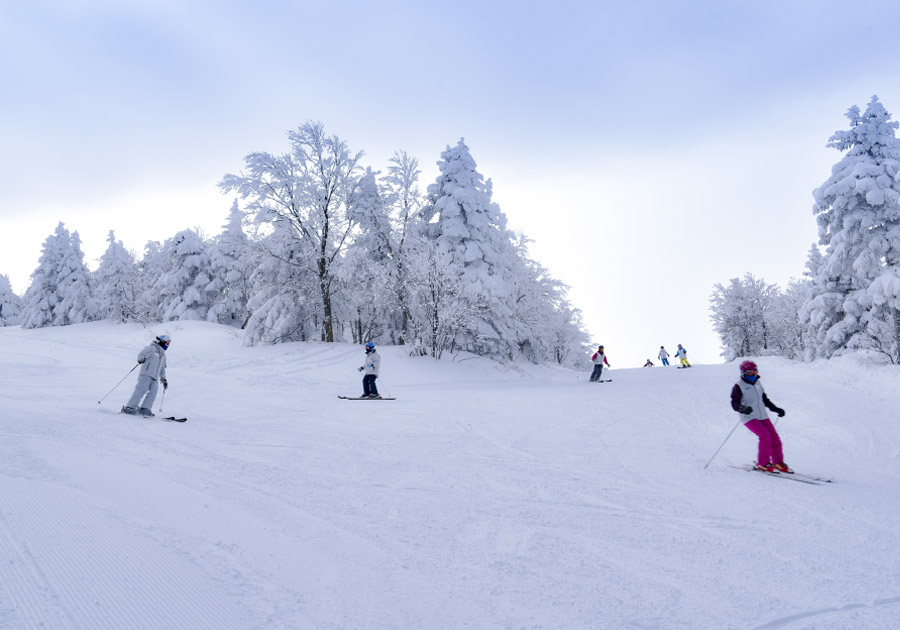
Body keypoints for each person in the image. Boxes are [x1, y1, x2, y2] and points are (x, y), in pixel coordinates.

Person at [730, 360, 791, 473]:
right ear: (743, 373)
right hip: (749, 417)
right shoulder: (739, 386)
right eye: (750, 373)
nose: (753, 374)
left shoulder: (758, 384)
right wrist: (743, 409)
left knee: (775, 439)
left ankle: (778, 463)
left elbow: (765, 400)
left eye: (755, 371)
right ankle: (763, 463)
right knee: (765, 436)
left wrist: (776, 409)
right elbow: (734, 404)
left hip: (762, 416)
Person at [122, 334, 170, 417]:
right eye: (167, 343)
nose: (168, 346)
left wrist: (163, 379)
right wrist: (141, 359)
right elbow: (141, 354)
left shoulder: (163, 355)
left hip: (155, 377)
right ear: (162, 342)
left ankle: (145, 408)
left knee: (153, 392)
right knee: (141, 389)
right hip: (146, 374)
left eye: (169, 344)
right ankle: (130, 407)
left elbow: (162, 369)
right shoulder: (151, 348)